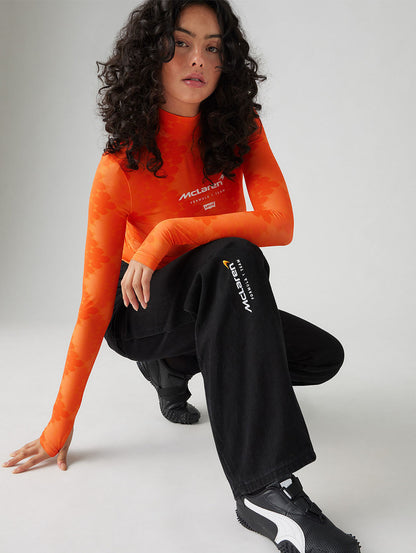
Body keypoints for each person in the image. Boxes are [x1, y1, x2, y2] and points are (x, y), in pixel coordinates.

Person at [3, 1, 361, 551]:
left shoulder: (239, 131)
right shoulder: (120, 167)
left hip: (214, 297)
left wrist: (170, 232)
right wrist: (60, 421)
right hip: (139, 310)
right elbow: (94, 306)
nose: (198, 59)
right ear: (152, 54)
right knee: (232, 256)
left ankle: (176, 365)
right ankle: (264, 491)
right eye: (181, 43)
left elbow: (279, 223)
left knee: (320, 357)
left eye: (213, 47)